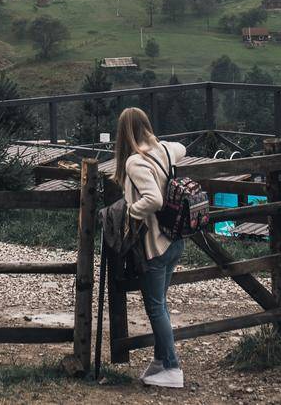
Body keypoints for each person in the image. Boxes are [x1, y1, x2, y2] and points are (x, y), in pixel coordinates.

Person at [116, 105, 189, 388]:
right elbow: (182, 147)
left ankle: (172, 368)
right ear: (146, 125)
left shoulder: (135, 162)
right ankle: (160, 362)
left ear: (124, 132)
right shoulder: (165, 150)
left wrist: (131, 212)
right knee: (161, 304)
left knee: (156, 307)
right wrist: (159, 143)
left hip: (155, 245)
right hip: (175, 241)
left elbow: (154, 200)